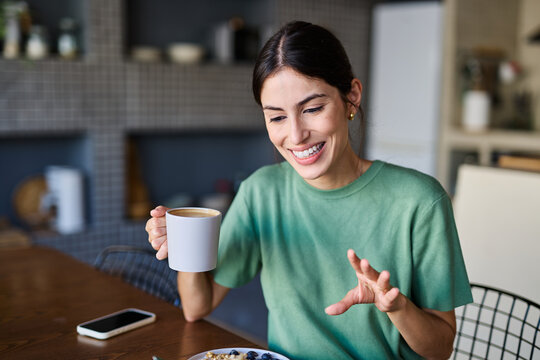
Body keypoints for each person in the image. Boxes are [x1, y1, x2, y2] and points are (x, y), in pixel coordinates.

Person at [145, 21, 473, 360]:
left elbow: (440, 350)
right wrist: (184, 243)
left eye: (313, 109)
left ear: (352, 97)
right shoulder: (262, 193)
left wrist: (398, 307)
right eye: (277, 118)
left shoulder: (420, 201)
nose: (296, 135)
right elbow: (197, 307)